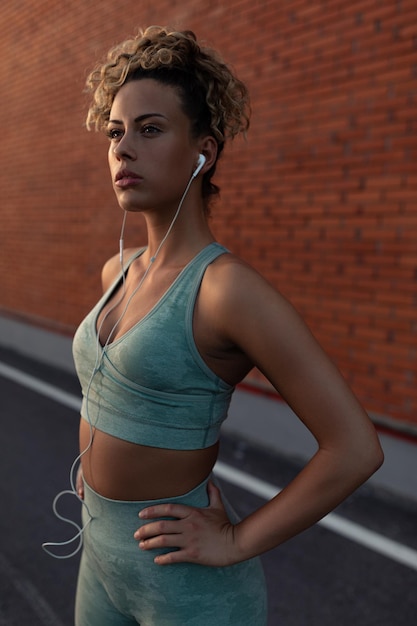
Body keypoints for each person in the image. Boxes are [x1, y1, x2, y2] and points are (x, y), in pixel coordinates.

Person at [70, 26, 383, 625]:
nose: (123, 149)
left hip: (190, 589)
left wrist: (237, 541)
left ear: (203, 151)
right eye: (115, 132)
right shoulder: (120, 268)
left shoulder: (226, 289)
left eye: (150, 129)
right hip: (100, 560)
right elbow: (117, 392)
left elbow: (355, 448)